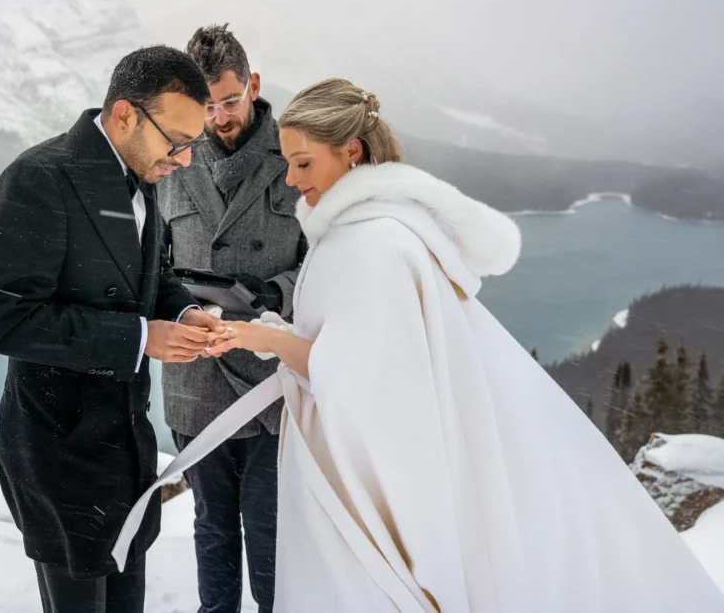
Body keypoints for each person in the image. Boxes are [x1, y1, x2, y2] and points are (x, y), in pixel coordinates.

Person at [115, 78, 724, 611]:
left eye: (302, 163)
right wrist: (275, 335)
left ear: (351, 151)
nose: (292, 180)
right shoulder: (390, 227)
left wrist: (258, 336)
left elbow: (354, 376)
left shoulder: (368, 246)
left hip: (382, 491)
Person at [0, 45, 226, 613]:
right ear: (124, 116)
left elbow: (151, 279)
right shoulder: (38, 179)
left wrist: (185, 313)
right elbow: (6, 319)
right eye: (178, 142)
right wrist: (140, 340)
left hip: (123, 447)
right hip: (57, 451)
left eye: (194, 145)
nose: (184, 160)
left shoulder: (144, 172)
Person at [157, 23, 305, 613]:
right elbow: (152, 263)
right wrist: (183, 306)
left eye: (231, 100)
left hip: (271, 382)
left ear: (254, 85)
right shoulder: (171, 157)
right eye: (209, 106)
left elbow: (325, 256)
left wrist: (274, 290)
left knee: (271, 535)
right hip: (195, 380)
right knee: (212, 528)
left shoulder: (293, 149)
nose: (220, 117)